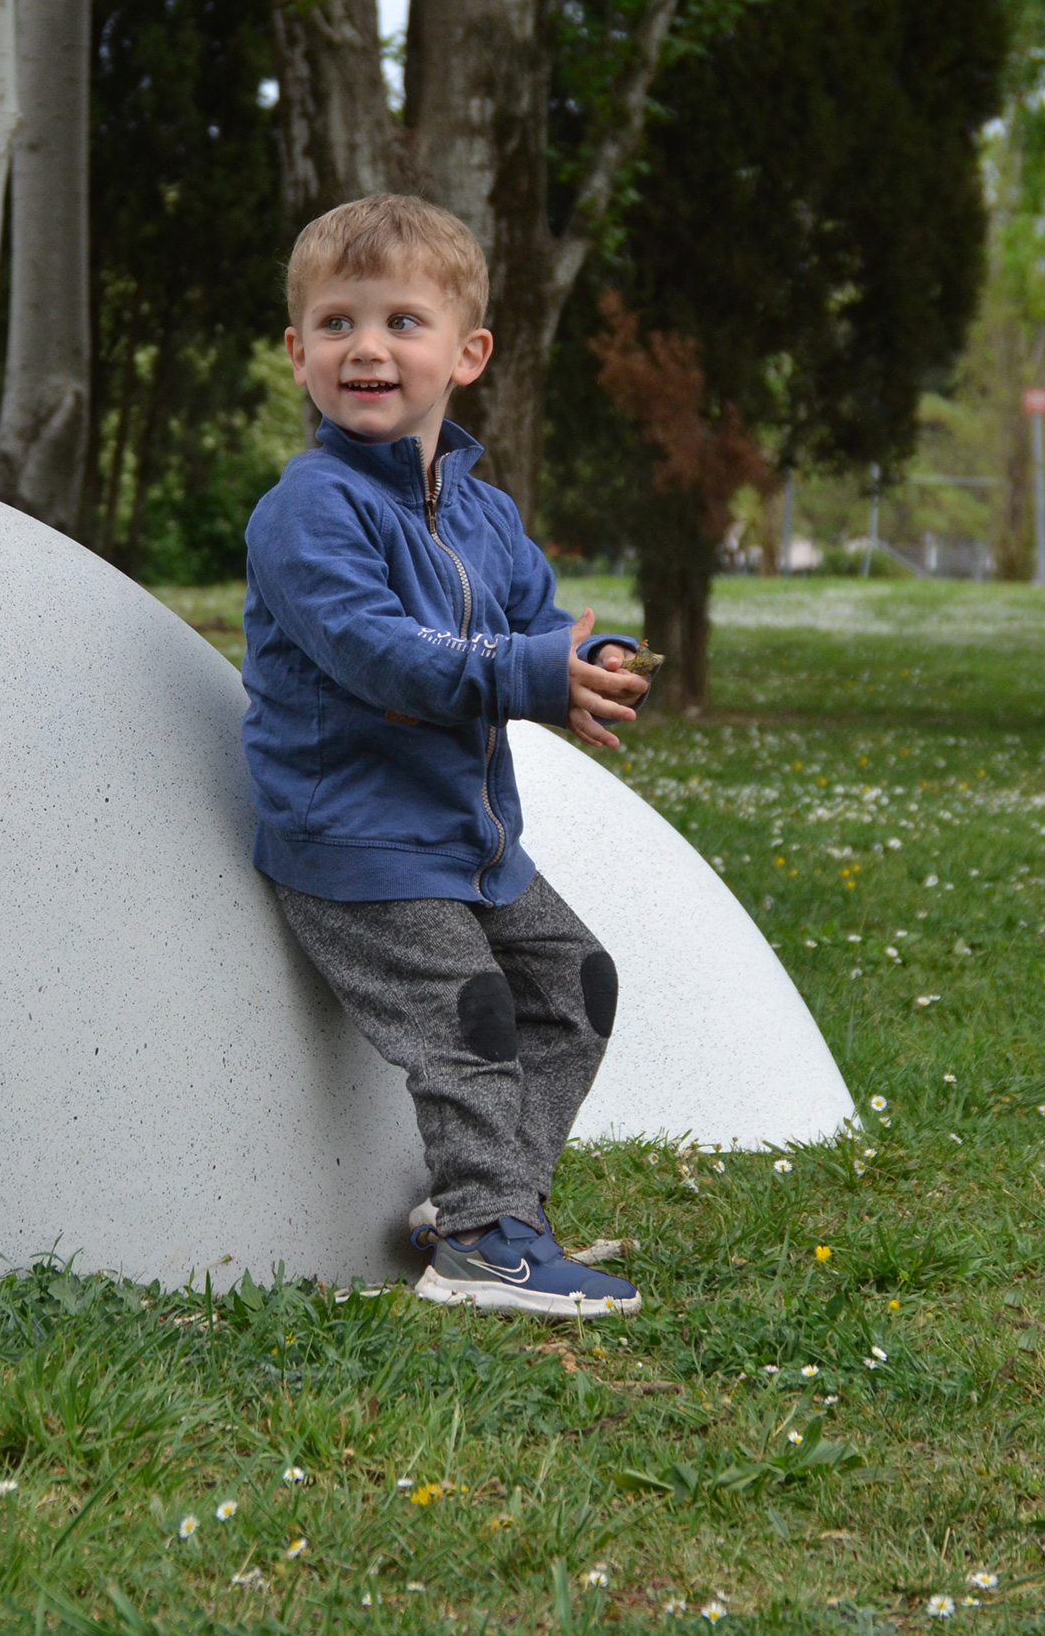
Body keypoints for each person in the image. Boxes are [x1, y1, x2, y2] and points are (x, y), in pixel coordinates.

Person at [241, 194, 652, 1318]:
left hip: (467, 832)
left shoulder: (482, 512)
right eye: (335, 323)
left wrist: (591, 655)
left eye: (400, 322)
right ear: (297, 354)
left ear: (465, 354)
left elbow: (535, 620)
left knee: (575, 984)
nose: (365, 347)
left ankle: (487, 1194)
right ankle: (482, 1242)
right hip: (356, 839)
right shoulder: (307, 512)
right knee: (471, 1009)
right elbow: (383, 659)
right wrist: (531, 672)